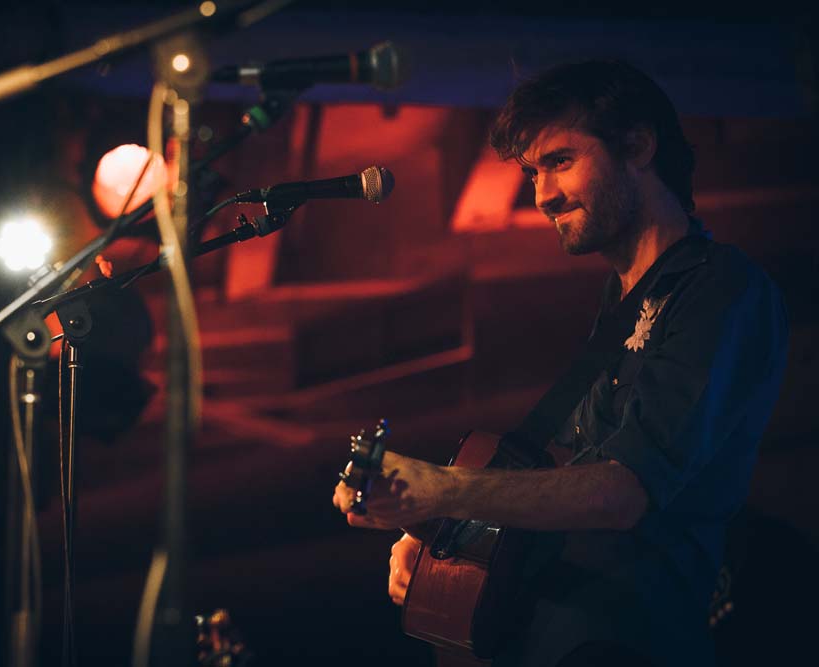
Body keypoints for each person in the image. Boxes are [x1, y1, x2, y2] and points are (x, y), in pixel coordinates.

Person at [332, 60, 789, 667]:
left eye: (561, 162)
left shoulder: (722, 288)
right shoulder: (621, 302)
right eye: (532, 171)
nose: (542, 195)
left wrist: (443, 492)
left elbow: (623, 492)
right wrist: (438, 532)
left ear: (638, 146)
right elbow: (558, 483)